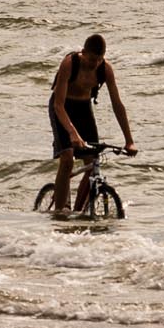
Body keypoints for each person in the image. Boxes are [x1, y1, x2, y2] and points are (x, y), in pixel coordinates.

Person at [47, 33, 134, 216]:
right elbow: (58, 105)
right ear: (83, 52)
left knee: (93, 161)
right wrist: (72, 133)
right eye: (92, 59)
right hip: (62, 107)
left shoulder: (105, 69)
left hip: (84, 108)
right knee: (68, 158)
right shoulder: (70, 63)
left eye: (99, 59)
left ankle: (79, 211)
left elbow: (117, 105)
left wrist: (129, 140)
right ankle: (60, 214)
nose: (94, 64)